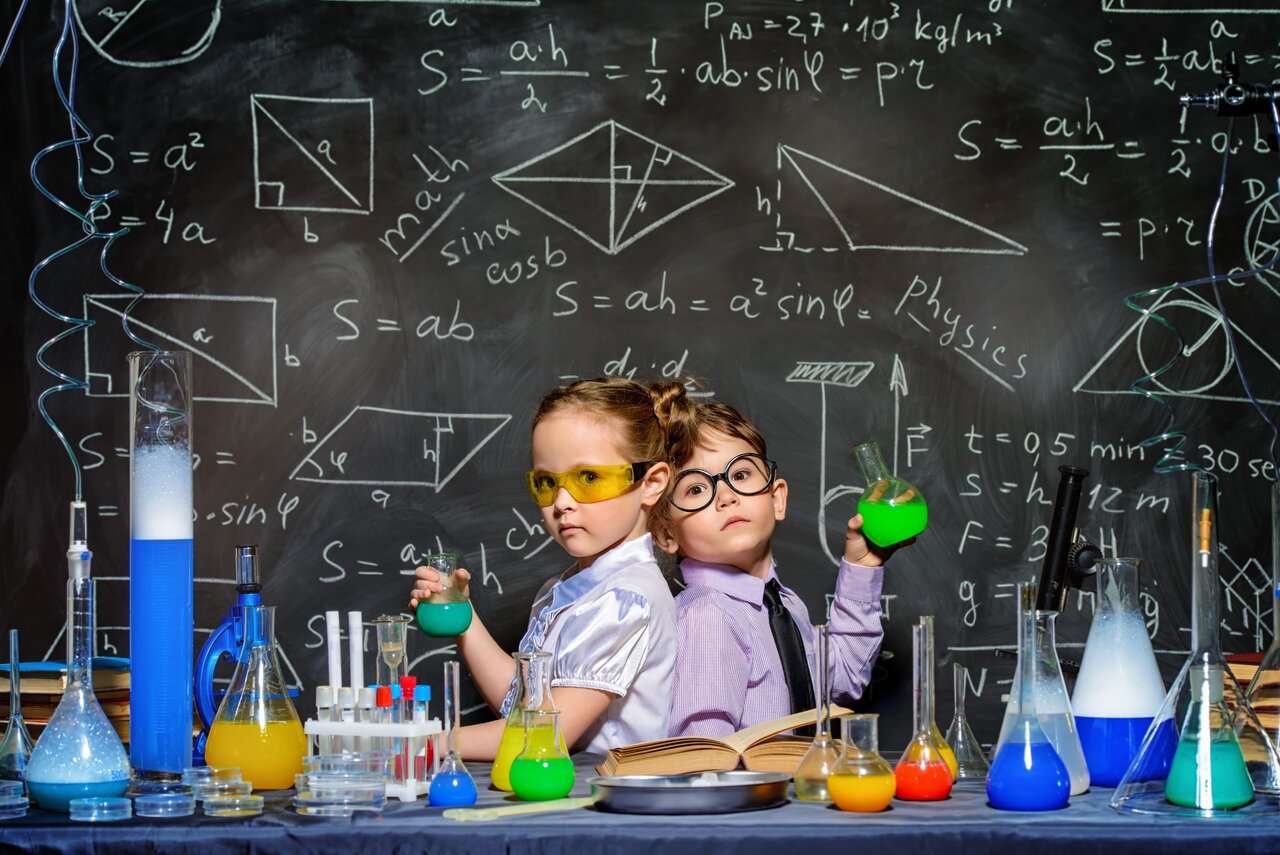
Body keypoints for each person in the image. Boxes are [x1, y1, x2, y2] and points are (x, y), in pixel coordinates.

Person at [409, 377, 679, 758]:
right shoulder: (570, 589)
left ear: (651, 484)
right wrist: (463, 618)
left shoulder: (626, 598)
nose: (562, 502)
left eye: (589, 477)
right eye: (547, 482)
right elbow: (521, 706)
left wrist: (422, 744)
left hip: (603, 792)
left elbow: (547, 731)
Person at [655, 399, 911, 738]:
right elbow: (706, 752)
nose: (726, 496)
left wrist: (862, 567)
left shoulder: (784, 607)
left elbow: (845, 678)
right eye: (696, 488)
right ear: (667, 534)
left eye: (740, 474)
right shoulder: (709, 616)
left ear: (776, 498)